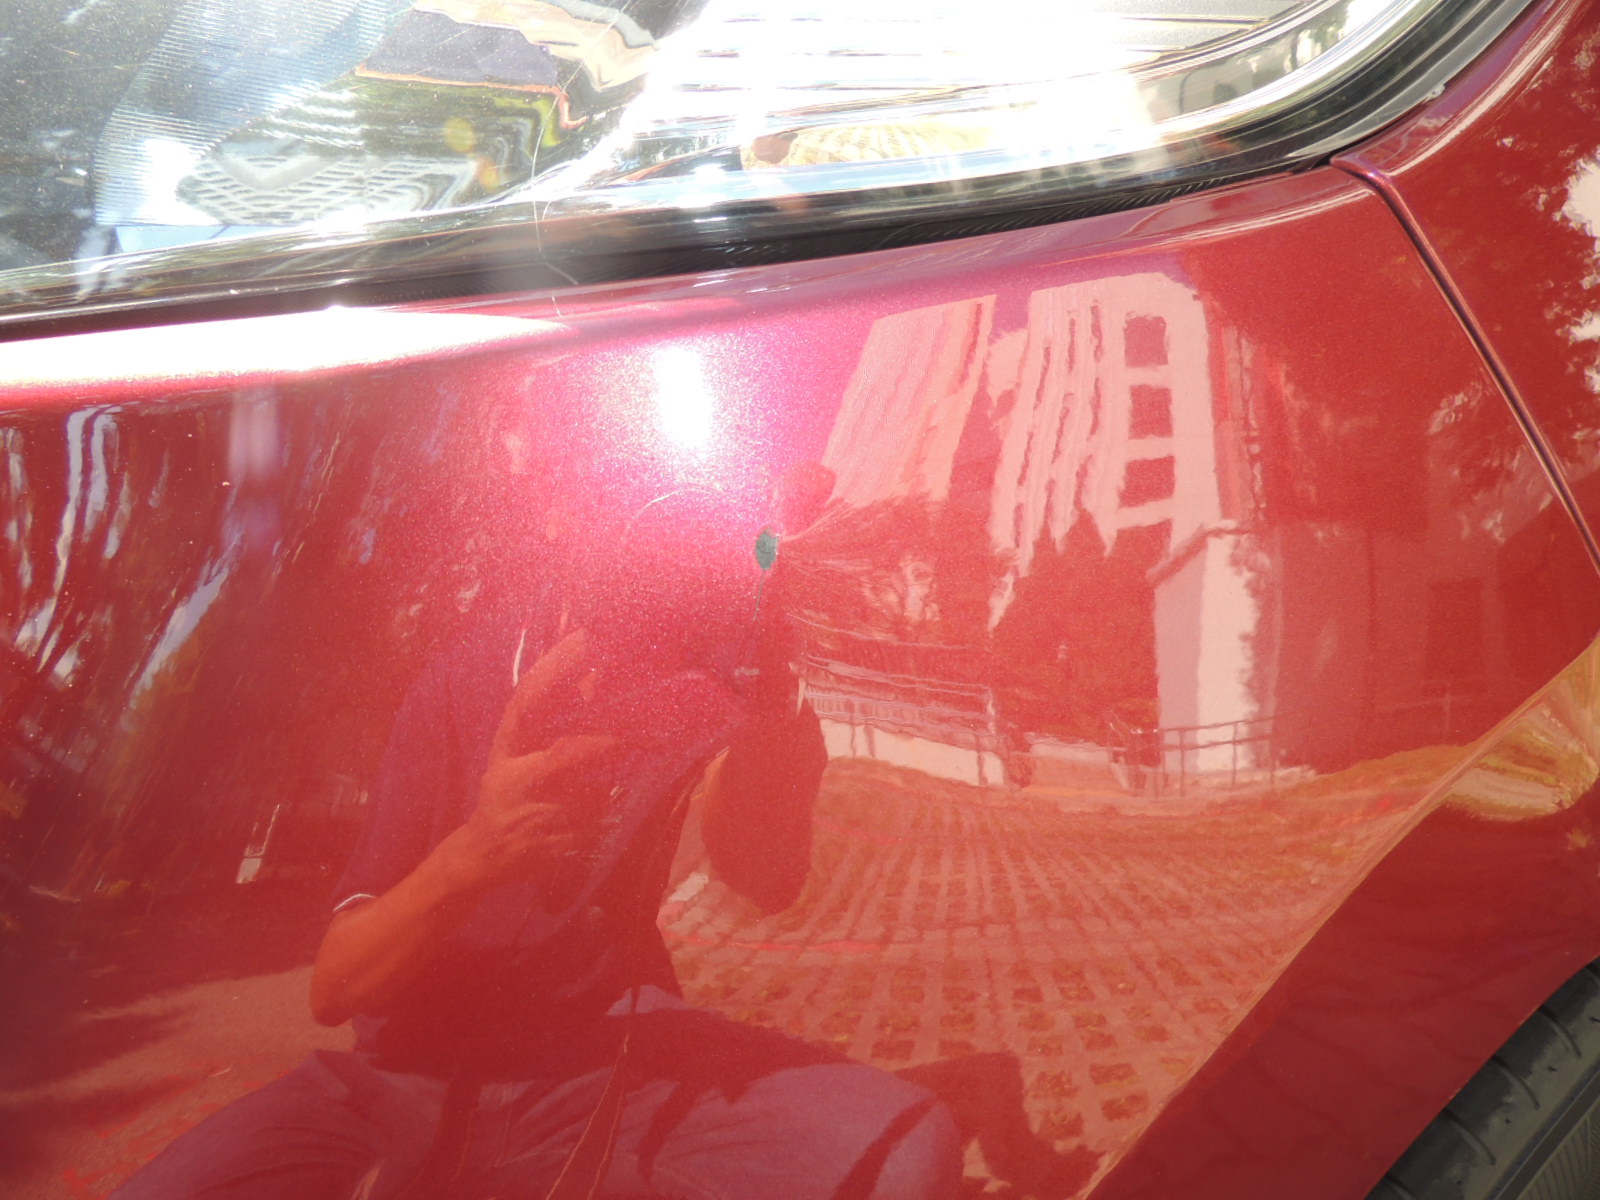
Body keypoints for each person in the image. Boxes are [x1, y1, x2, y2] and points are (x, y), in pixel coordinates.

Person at [114, 488, 961, 1200]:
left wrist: (771, 700)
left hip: (606, 1062)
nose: (638, 573)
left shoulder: (700, 686)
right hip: (405, 1075)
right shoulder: (458, 680)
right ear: (559, 527)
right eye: (611, 516)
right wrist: (475, 855)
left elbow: (763, 878)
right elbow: (336, 987)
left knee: (905, 1145)